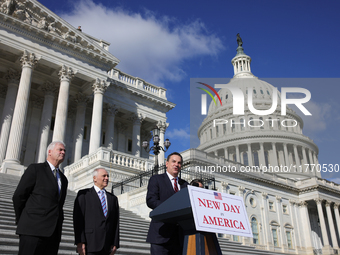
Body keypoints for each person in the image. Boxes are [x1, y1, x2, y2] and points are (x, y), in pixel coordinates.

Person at [12, 141, 68, 255]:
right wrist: (24, 219)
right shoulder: (35, 169)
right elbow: (19, 196)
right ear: (50, 152)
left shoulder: (63, 179)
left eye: (64, 151)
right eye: (60, 149)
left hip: (53, 234)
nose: (63, 152)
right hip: (32, 230)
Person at [146, 152, 188, 255]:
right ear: (167, 163)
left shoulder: (185, 185)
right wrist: (171, 208)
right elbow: (151, 200)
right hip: (161, 235)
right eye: (173, 161)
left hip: (179, 237)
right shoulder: (156, 179)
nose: (176, 165)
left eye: (179, 163)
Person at [73, 168, 119, 255]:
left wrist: (115, 243)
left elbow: (116, 223)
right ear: (95, 178)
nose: (106, 178)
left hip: (107, 246)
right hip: (89, 244)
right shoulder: (84, 195)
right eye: (104, 176)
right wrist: (80, 241)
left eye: (107, 176)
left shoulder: (113, 198)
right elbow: (78, 220)